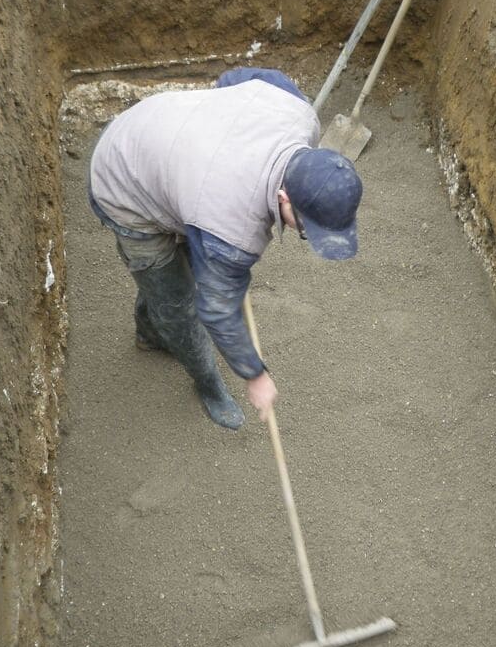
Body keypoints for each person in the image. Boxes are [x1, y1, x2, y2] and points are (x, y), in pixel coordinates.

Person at [88, 67, 362, 429]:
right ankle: (206, 381)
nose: (305, 234)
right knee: (177, 301)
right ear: (284, 197)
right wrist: (255, 375)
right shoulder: (231, 226)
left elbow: (237, 80)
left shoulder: (297, 111)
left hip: (168, 153)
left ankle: (149, 328)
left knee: (185, 258)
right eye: (305, 227)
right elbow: (217, 309)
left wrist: (212, 144)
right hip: (123, 181)